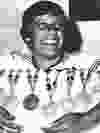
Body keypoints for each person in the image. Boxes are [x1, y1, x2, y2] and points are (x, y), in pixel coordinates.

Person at [0, 0, 100, 133]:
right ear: (27, 35)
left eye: (58, 26)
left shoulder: (89, 65)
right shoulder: (7, 64)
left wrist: (87, 119)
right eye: (42, 26)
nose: (52, 31)